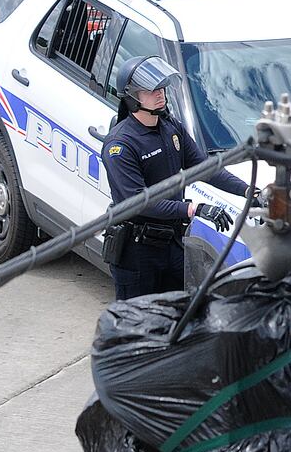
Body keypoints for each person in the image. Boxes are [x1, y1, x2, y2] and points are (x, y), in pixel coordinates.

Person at [102, 56, 249, 301]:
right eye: (151, 90)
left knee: (179, 317)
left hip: (172, 244)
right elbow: (140, 201)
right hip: (137, 252)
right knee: (137, 326)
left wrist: (248, 191)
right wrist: (194, 208)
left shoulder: (171, 128)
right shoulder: (121, 145)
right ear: (132, 98)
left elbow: (205, 167)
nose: (160, 95)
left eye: (161, 88)